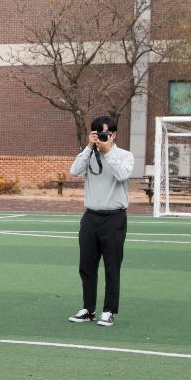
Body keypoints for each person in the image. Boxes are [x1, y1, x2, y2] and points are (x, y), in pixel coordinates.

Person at [69, 115, 134, 327]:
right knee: (86, 266)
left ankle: (108, 311)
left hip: (114, 217)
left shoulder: (125, 156)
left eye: (106, 133)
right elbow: (74, 171)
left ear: (114, 134)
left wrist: (107, 154)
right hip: (91, 217)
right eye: (99, 133)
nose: (103, 137)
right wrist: (89, 147)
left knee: (112, 266)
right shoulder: (90, 155)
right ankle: (88, 309)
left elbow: (122, 175)